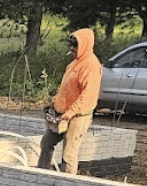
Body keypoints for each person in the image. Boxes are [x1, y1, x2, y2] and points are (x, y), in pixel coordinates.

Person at [36, 29, 102, 175]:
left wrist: (70, 113)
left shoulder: (90, 65)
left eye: (75, 45)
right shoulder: (75, 63)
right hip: (62, 113)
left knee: (69, 152)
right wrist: (55, 104)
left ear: (85, 45)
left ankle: (67, 181)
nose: (72, 48)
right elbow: (67, 89)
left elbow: (88, 95)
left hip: (78, 116)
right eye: (70, 45)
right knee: (47, 142)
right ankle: (41, 174)